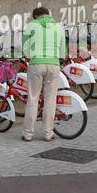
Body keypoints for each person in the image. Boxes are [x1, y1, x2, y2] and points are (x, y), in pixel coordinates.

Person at [21, 7, 66, 142]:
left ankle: (28, 134)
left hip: (36, 64)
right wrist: (60, 60)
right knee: (50, 100)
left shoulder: (32, 25)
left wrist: (30, 56)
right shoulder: (58, 27)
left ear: (36, 16)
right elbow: (63, 48)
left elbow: (24, 46)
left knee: (33, 99)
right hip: (54, 64)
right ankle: (48, 133)